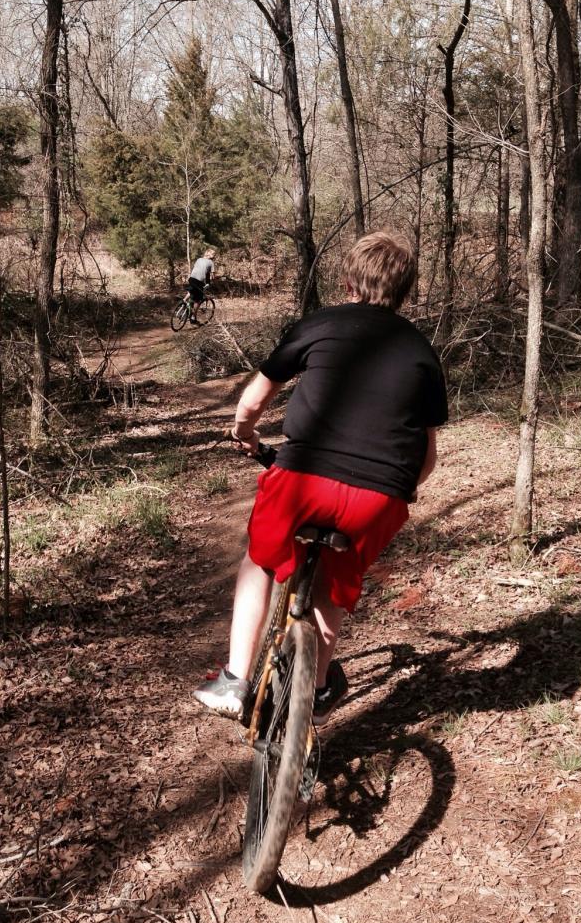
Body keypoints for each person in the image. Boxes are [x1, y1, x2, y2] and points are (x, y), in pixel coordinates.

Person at [193, 231, 447, 725]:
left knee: (261, 560)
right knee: (335, 581)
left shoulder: (319, 324)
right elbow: (428, 454)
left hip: (304, 479)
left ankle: (235, 679)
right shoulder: (421, 352)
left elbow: (253, 401)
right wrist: (396, 492)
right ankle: (319, 682)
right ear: (406, 291)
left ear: (348, 281)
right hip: (381, 493)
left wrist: (245, 434)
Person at [186, 248, 216, 319]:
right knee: (198, 300)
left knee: (192, 291)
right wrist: (213, 281)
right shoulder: (211, 262)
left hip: (191, 278)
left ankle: (184, 301)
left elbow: (202, 271)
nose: (214, 256)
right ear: (209, 254)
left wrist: (208, 280)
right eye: (214, 254)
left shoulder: (199, 259)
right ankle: (193, 317)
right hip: (199, 281)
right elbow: (212, 275)